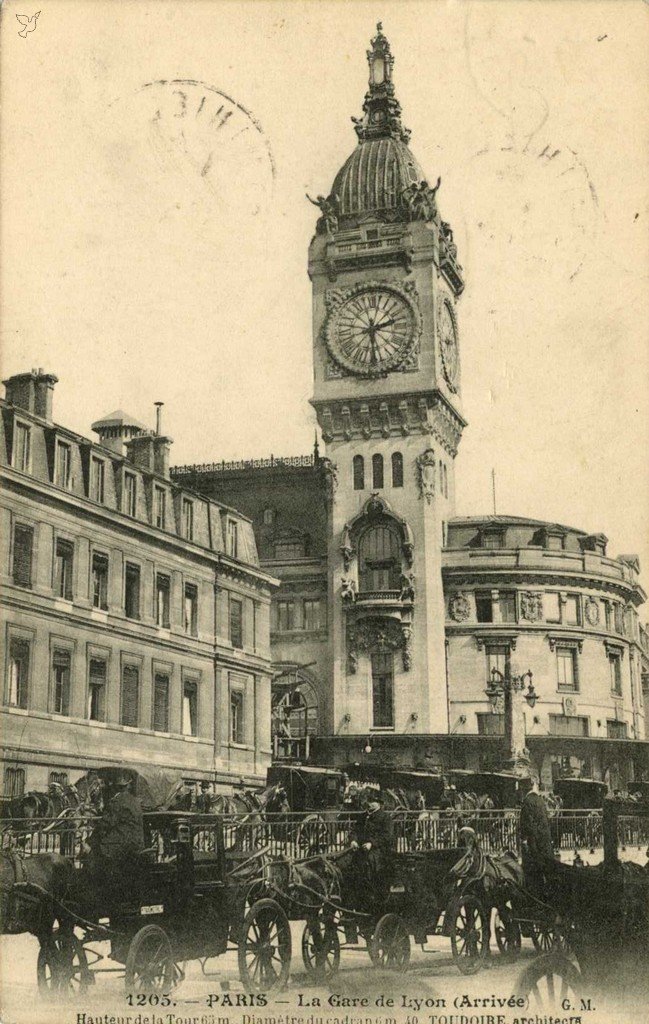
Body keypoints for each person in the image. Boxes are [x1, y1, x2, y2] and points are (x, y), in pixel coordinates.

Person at [84, 772, 144, 891]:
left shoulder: (117, 801)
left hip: (119, 848)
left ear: (115, 787)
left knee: (93, 856)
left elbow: (104, 825)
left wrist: (89, 842)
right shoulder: (135, 802)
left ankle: (97, 893)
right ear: (128, 786)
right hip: (137, 846)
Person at [349, 791, 395, 902]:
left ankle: (369, 893)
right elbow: (354, 831)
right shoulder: (362, 817)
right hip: (360, 848)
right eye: (369, 801)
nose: (369, 804)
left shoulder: (385, 817)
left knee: (369, 862)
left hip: (379, 850)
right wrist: (353, 840)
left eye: (373, 801)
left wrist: (372, 844)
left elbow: (387, 836)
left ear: (379, 804)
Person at [519, 775, 554, 897]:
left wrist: (524, 842)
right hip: (545, 844)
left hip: (534, 845)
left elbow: (527, 825)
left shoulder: (527, 802)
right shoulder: (540, 800)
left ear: (523, 790)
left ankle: (534, 896)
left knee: (532, 874)